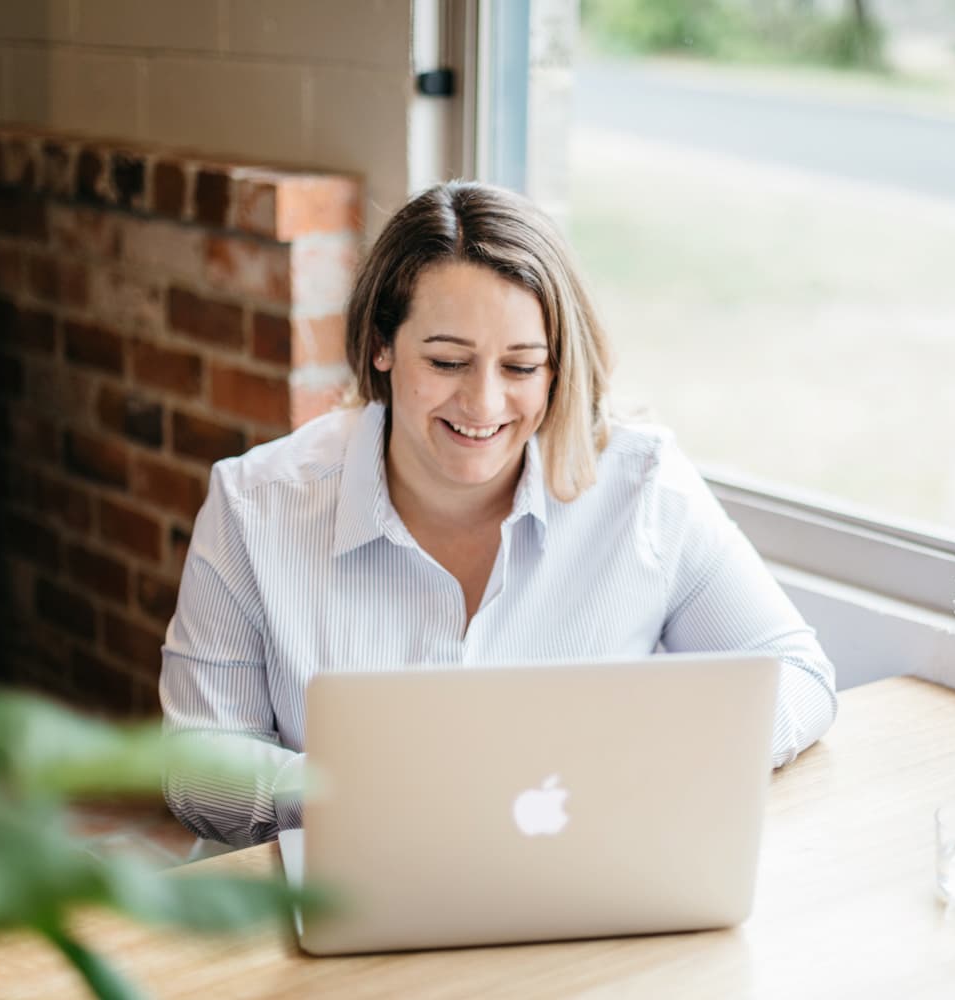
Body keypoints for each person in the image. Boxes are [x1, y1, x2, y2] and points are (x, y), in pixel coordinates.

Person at [160, 181, 837, 848]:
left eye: (520, 367)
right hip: (339, 892)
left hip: (571, 879)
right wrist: (372, 796)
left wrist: (652, 763)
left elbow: (799, 676)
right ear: (381, 346)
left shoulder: (642, 488)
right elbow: (198, 769)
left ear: (557, 367)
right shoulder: (257, 503)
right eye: (448, 360)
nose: (483, 405)